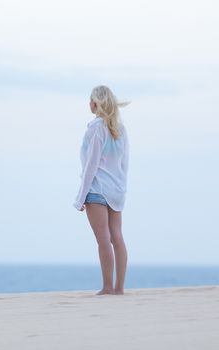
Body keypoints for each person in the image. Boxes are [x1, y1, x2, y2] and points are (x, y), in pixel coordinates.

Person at [73, 85, 130, 295]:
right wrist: (122, 189)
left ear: (95, 103)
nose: (88, 104)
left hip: (97, 190)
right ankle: (119, 288)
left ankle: (107, 287)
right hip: (116, 190)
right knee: (117, 237)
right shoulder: (120, 130)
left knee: (104, 239)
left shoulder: (96, 128)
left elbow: (91, 165)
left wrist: (80, 198)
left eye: (90, 100)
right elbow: (125, 163)